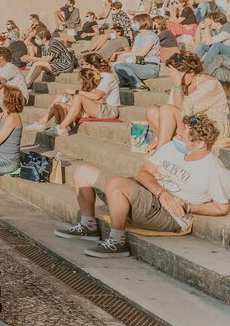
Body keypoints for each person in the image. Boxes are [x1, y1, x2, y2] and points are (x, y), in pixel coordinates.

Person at [58, 114, 230, 258]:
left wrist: (190, 207)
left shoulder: (214, 171)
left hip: (167, 215)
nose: (176, 138)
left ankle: (118, 241)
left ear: (199, 144)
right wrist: (162, 192)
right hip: (151, 196)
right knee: (82, 171)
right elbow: (142, 172)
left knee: (116, 183)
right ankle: (88, 226)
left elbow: (222, 207)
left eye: (182, 137)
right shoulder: (172, 147)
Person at [143, 51, 230, 153]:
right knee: (152, 111)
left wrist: (177, 84)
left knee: (167, 109)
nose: (175, 78)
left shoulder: (210, 84)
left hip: (211, 125)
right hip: (191, 122)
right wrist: (157, 138)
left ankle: (160, 153)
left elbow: (183, 111)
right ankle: (167, 148)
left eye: (178, 75)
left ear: (192, 72)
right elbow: (170, 111)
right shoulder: (181, 84)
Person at [27, 67, 113, 136]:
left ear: (83, 79)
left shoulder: (94, 90)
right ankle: (48, 123)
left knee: (64, 103)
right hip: (84, 110)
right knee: (59, 101)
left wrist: (74, 96)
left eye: (79, 77)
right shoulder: (83, 89)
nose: (77, 79)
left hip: (95, 110)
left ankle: (61, 127)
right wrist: (70, 97)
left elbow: (98, 100)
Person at [113, 14, 161, 91]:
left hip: (150, 67)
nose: (133, 24)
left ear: (143, 22)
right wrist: (124, 58)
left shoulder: (151, 36)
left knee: (119, 66)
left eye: (135, 22)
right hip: (139, 65)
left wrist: (125, 54)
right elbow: (133, 52)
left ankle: (139, 85)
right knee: (117, 65)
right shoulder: (138, 36)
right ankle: (125, 83)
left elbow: (142, 53)